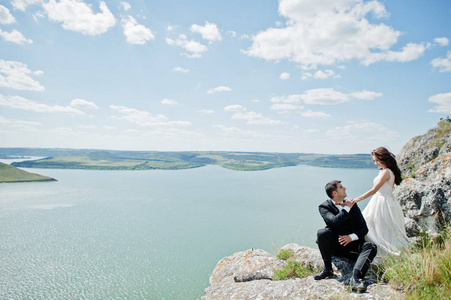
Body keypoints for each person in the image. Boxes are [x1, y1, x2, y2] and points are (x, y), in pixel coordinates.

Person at [314, 180, 377, 293]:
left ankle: (355, 278)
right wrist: (347, 208)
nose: (345, 188)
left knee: (371, 246)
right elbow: (333, 222)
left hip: (353, 246)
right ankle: (327, 269)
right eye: (341, 187)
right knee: (322, 233)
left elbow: (364, 229)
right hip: (336, 246)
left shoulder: (353, 205)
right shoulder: (324, 207)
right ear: (335, 193)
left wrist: (350, 237)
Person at [351, 147, 410, 261]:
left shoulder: (386, 172)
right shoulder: (385, 171)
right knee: (377, 226)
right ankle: (373, 252)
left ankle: (380, 254)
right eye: (374, 161)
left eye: (378, 160)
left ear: (385, 159)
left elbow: (373, 190)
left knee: (378, 227)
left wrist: (355, 200)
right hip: (382, 200)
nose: (376, 163)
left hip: (382, 202)